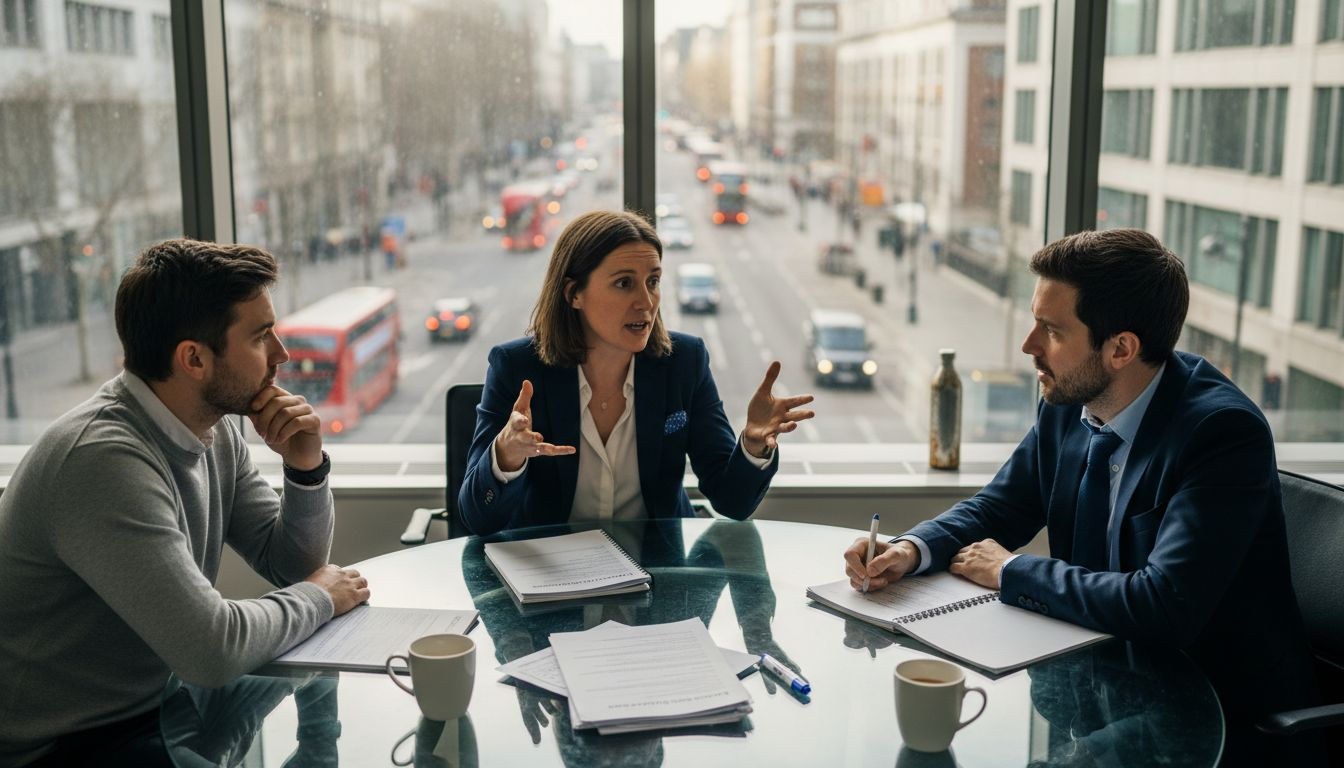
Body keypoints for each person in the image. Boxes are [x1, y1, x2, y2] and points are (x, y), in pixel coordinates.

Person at [841, 228, 1318, 764]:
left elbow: (1164, 606)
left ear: (1120, 348)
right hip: (1099, 692)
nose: (1029, 346)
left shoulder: (1221, 433)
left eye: (1051, 329)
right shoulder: (1070, 400)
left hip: (1212, 719)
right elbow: (1003, 505)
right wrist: (910, 549)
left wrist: (1012, 571)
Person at [0, 239, 370, 767]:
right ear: (194, 358)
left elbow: (293, 566)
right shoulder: (103, 462)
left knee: (310, 681)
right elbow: (212, 648)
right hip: (66, 744)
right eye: (262, 336)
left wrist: (305, 467)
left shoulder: (211, 432)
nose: (282, 355)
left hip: (161, 702)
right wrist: (321, 596)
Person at [459, 210, 814, 534]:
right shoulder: (517, 368)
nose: (646, 302)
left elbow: (731, 502)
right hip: (550, 578)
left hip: (661, 572)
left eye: (653, 281)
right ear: (573, 294)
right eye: (624, 283)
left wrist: (752, 444)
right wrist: (505, 456)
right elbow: (477, 518)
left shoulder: (684, 362)